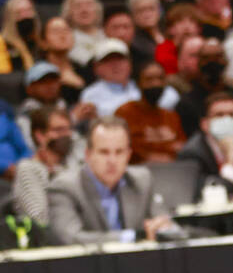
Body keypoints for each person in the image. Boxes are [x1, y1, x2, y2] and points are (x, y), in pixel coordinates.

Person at [46, 116, 174, 245]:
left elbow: (166, 224)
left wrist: (163, 228)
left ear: (128, 155)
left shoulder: (142, 180)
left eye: (119, 152)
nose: (112, 161)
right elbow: (70, 238)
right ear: (88, 154)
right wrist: (133, 237)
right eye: (104, 152)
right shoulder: (64, 188)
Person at [178, 91, 233, 197]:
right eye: (219, 115)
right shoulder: (192, 152)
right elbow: (204, 193)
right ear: (204, 124)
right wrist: (231, 161)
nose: (227, 120)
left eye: (232, 115)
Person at [12, 105, 74, 225]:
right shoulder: (28, 169)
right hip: (46, 240)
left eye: (68, 129)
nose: (66, 135)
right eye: (59, 130)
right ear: (40, 135)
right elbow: (39, 220)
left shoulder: (73, 163)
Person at [114, 61, 186, 164]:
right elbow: (121, 147)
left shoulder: (171, 116)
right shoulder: (125, 113)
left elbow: (182, 147)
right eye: (149, 79)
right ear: (138, 83)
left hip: (171, 170)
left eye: (160, 79)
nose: (156, 84)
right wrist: (148, 156)